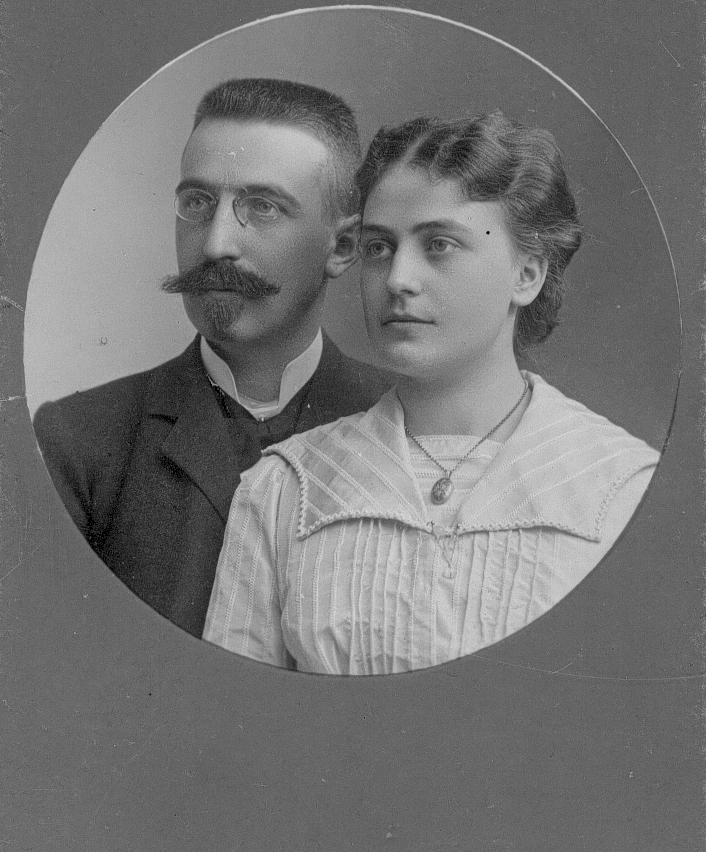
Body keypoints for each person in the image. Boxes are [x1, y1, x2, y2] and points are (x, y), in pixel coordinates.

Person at [204, 110, 660, 674]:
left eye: (439, 245)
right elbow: (234, 711)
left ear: (527, 275)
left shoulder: (622, 489)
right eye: (379, 248)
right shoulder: (284, 490)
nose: (398, 279)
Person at [33, 78, 390, 637]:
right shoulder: (79, 441)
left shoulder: (409, 424)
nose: (216, 243)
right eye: (198, 202)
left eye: (263, 207)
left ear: (342, 247)